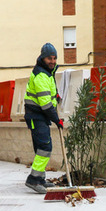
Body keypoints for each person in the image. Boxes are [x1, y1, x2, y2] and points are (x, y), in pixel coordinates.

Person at [23, 42, 64, 193]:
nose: (52, 61)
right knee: (45, 147)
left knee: (41, 148)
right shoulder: (41, 74)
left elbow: (49, 93)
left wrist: (56, 96)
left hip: (39, 116)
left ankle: (40, 179)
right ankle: (33, 180)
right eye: (49, 58)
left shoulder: (47, 72)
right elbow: (45, 104)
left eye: (54, 58)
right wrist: (57, 120)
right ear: (42, 58)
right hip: (36, 115)